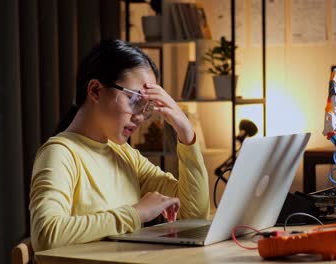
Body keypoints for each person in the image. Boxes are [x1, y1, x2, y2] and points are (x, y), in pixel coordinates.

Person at [29, 39, 210, 252]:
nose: (140, 118)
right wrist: (136, 213)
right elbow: (46, 235)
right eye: (134, 100)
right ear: (95, 90)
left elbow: (193, 214)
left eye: (147, 107)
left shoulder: (124, 154)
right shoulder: (61, 153)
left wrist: (186, 135)